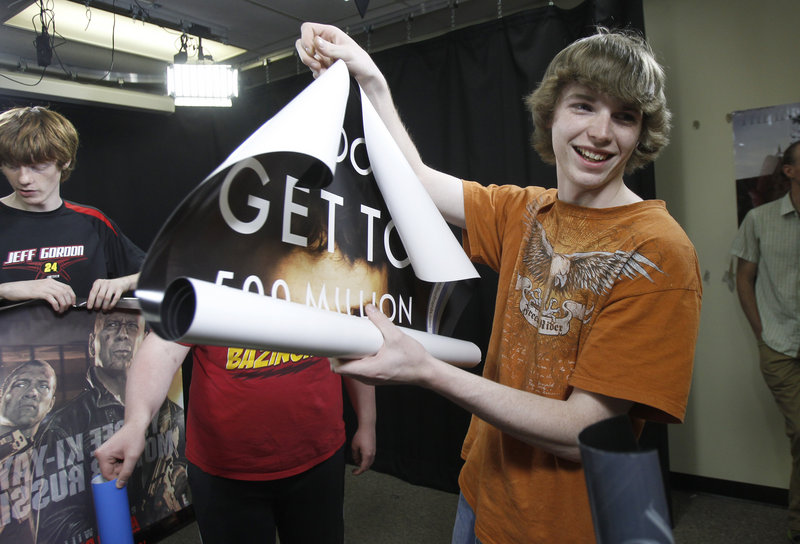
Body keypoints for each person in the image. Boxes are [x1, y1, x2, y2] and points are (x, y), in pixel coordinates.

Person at [295, 23, 702, 543]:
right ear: (551, 113)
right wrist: (371, 80)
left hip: (561, 526)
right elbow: (415, 177)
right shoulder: (525, 209)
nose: (602, 132)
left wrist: (427, 371)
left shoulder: (658, 252)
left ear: (641, 133)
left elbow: (584, 432)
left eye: (624, 116)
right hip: (481, 493)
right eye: (584, 106)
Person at [94, 233, 380, 543]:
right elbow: (162, 348)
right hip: (225, 471)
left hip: (317, 460)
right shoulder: (209, 263)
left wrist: (367, 422)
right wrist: (136, 422)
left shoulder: (330, 264)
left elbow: (354, 346)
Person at [35, 309, 188, 543]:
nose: (122, 335)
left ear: (144, 339)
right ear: (91, 344)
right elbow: (56, 525)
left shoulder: (172, 413)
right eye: (112, 325)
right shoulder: (63, 424)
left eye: (131, 327)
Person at [0, 106, 143, 313]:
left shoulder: (93, 222)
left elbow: (160, 275)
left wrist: (122, 283)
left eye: (38, 167)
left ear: (64, 160)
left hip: (83, 344)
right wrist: (5, 290)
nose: (24, 179)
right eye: (12, 166)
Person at [732, 139, 800, 543]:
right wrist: (762, 333)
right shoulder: (759, 219)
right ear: (789, 171)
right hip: (780, 345)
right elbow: (744, 278)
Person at [0, 359, 57, 543]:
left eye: (43, 387)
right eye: (21, 384)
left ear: (51, 404)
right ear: (3, 393)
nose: (32, 393)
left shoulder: (52, 451)